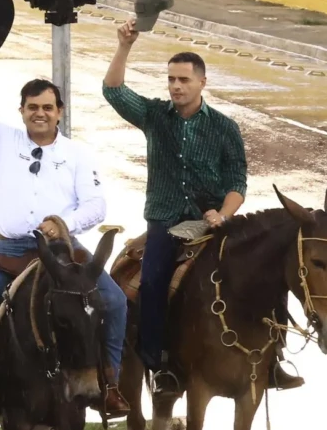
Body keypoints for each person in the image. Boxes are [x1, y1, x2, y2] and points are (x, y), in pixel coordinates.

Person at [0, 63, 127, 425]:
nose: (40, 114)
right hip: (10, 250)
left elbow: (96, 206)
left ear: (59, 112)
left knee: (116, 302)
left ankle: (109, 385)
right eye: (32, 107)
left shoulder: (77, 155)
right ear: (22, 111)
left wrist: (63, 223)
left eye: (47, 107)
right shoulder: (3, 138)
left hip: (64, 252)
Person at [103, 25, 255, 397]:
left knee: (261, 272)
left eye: (184, 80)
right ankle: (158, 363)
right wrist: (124, 46)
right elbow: (114, 91)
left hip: (212, 224)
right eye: (171, 79)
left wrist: (223, 214)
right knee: (153, 281)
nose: (176, 86)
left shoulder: (224, 128)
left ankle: (271, 358)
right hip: (166, 222)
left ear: (202, 82)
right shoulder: (156, 116)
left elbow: (238, 180)